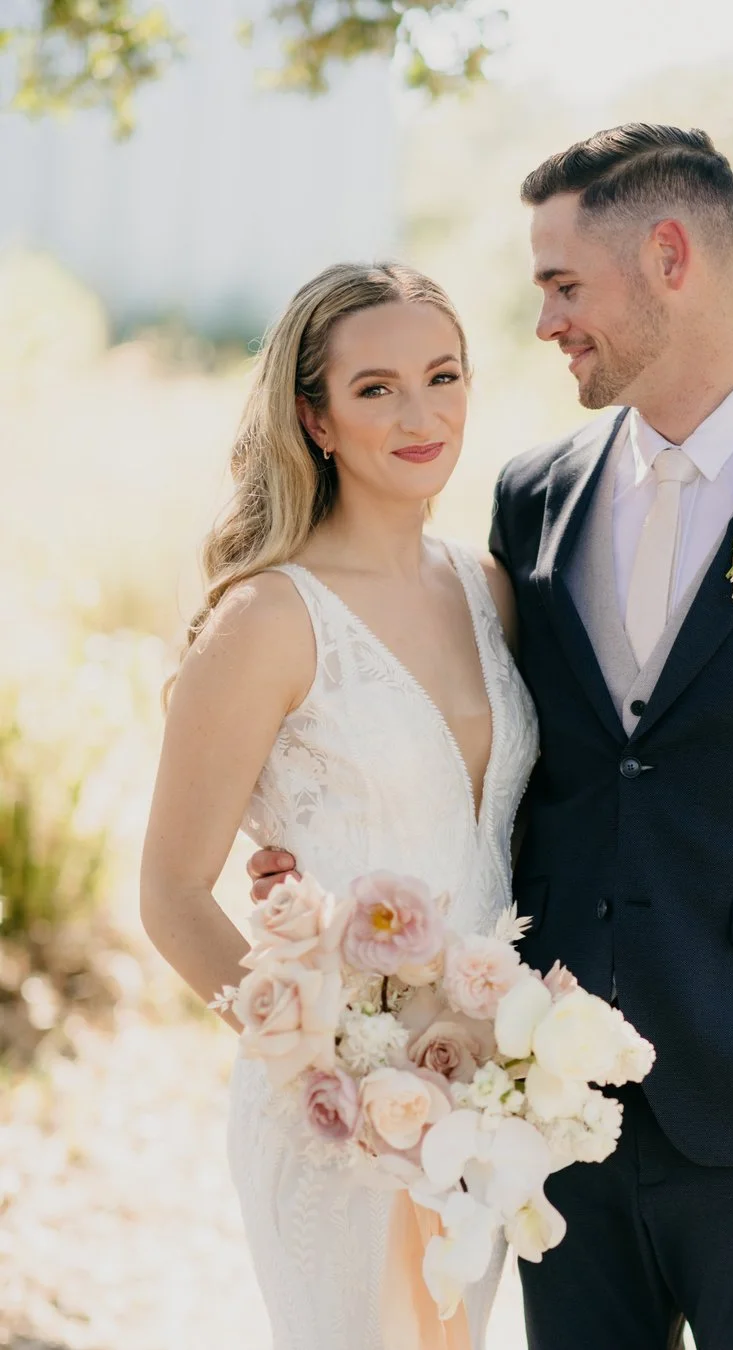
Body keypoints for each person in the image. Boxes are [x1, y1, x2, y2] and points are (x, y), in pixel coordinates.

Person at [249, 125, 733, 1348]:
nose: (547, 322)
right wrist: (316, 857)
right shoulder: (532, 494)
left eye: (564, 285)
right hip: (552, 1111)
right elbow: (493, 759)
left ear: (669, 255)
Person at [140, 261, 539, 1350]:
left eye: (443, 376)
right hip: (338, 1117)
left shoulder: (489, 589)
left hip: (487, 1099)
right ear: (313, 416)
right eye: (376, 389)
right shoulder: (269, 617)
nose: (422, 415)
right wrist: (327, 1064)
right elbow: (172, 893)